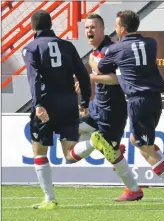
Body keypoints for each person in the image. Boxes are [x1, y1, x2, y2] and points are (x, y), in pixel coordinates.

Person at [89, 10, 164, 202]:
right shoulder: (151, 43)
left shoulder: (117, 49)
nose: (116, 29)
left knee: (144, 148)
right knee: (136, 140)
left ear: (123, 28)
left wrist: (92, 61)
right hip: (155, 99)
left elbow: (101, 68)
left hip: (138, 100)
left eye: (117, 26)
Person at [66, 14, 144, 202]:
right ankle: (102, 144)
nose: (89, 31)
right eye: (87, 28)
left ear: (102, 30)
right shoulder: (95, 53)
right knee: (69, 145)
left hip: (112, 112)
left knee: (111, 154)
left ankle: (133, 189)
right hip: (96, 109)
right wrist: (84, 103)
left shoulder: (112, 50)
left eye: (93, 27)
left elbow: (118, 79)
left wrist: (91, 78)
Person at [22, 10, 91, 209]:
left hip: (47, 105)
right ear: (51, 25)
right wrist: (84, 101)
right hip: (69, 103)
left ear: (32, 27)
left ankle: (49, 199)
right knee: (70, 154)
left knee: (39, 151)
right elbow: (83, 75)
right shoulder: (67, 46)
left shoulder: (31, 48)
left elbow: (33, 78)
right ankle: (95, 143)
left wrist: (37, 105)